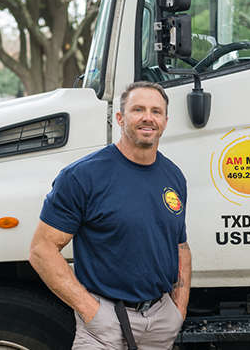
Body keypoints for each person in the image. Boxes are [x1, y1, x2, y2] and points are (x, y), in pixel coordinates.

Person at [30, 81, 191, 350]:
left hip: (160, 322)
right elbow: (41, 250)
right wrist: (90, 311)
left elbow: (180, 246)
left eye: (156, 111)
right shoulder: (82, 176)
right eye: (138, 110)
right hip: (105, 323)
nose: (148, 118)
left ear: (165, 121)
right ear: (119, 118)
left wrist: (178, 310)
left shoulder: (173, 176)